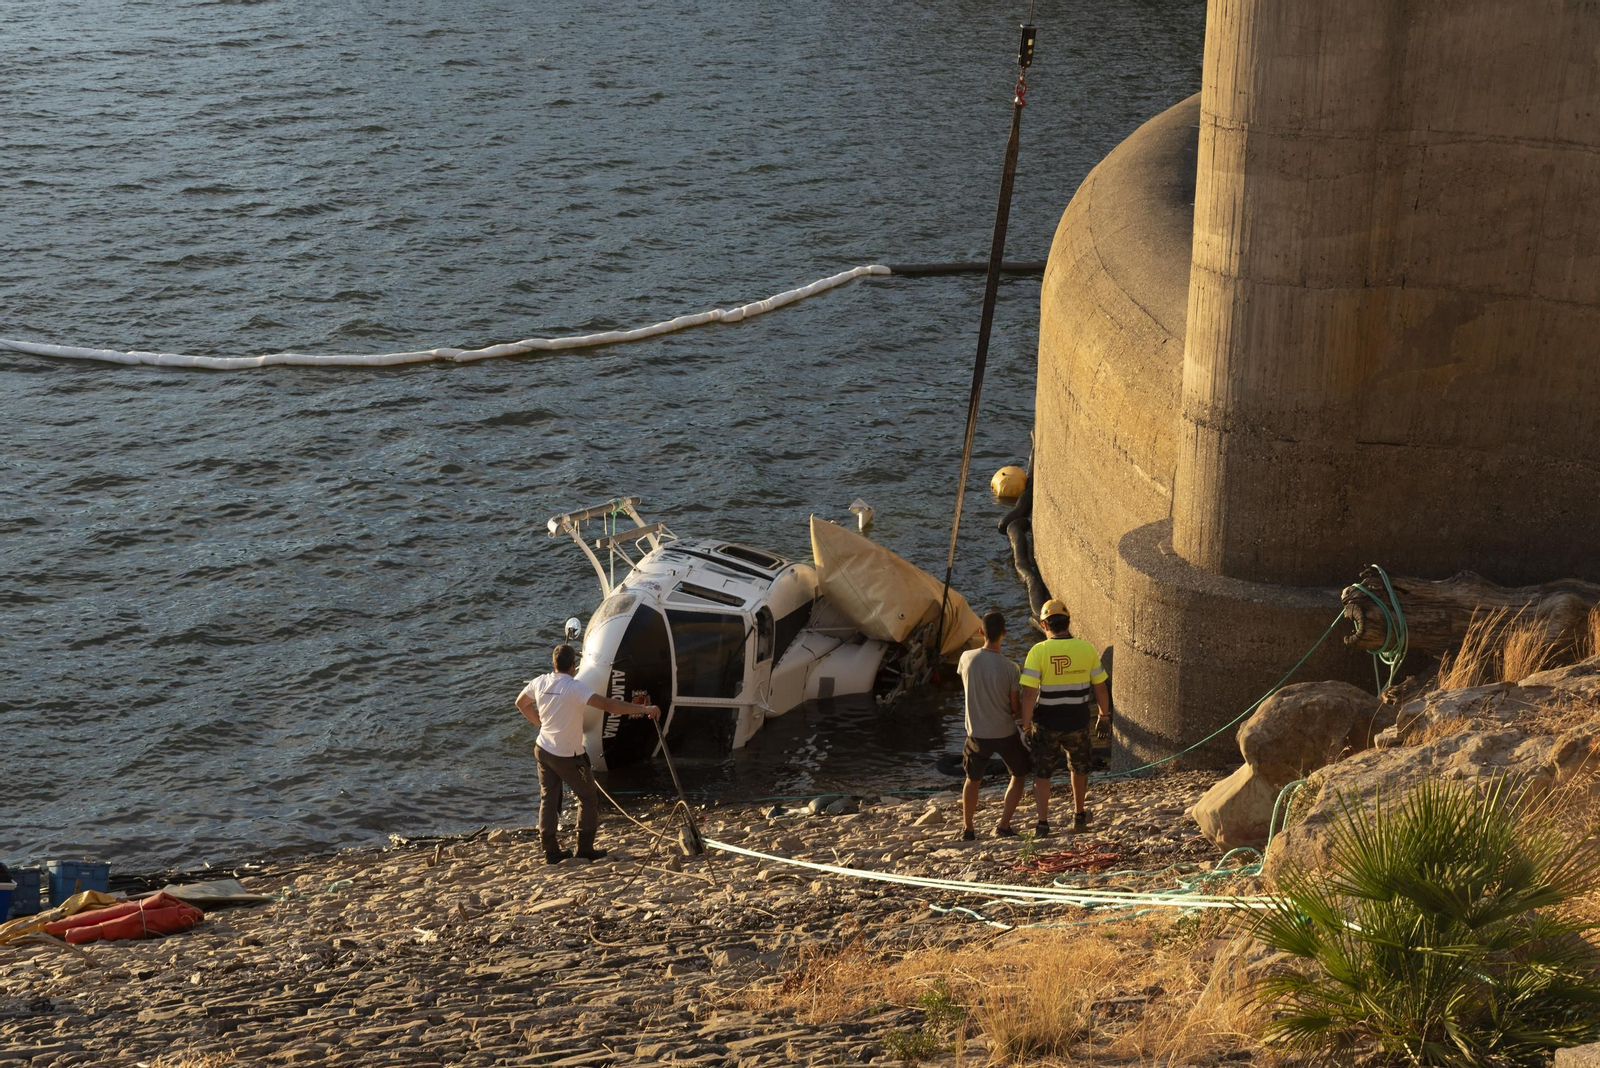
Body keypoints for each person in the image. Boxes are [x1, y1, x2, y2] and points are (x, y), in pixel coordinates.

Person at [515, 643, 660, 864]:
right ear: (574, 666)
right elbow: (610, 706)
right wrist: (644, 709)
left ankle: (551, 851)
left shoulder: (540, 682)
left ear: (553, 664)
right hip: (567, 756)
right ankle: (584, 848)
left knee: (548, 798)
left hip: (543, 750)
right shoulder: (575, 687)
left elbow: (521, 703)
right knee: (589, 797)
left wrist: (540, 724)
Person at [1018, 599, 1110, 835]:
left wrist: (1025, 726)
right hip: (1077, 721)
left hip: (1046, 723)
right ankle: (1079, 815)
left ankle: (1043, 823)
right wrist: (1103, 715)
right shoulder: (1086, 648)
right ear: (1068, 623)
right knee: (1079, 768)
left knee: (1042, 772)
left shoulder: (1038, 651)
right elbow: (1100, 687)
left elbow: (1028, 693)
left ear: (1044, 624)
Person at [955, 610, 1029, 841]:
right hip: (1005, 732)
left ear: (981, 632)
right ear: (1004, 634)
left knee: (972, 780)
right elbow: (1014, 707)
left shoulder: (966, 658)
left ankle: (968, 829)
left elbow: (966, 683)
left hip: (976, 733)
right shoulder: (1011, 668)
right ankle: (1003, 825)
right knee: (1019, 774)